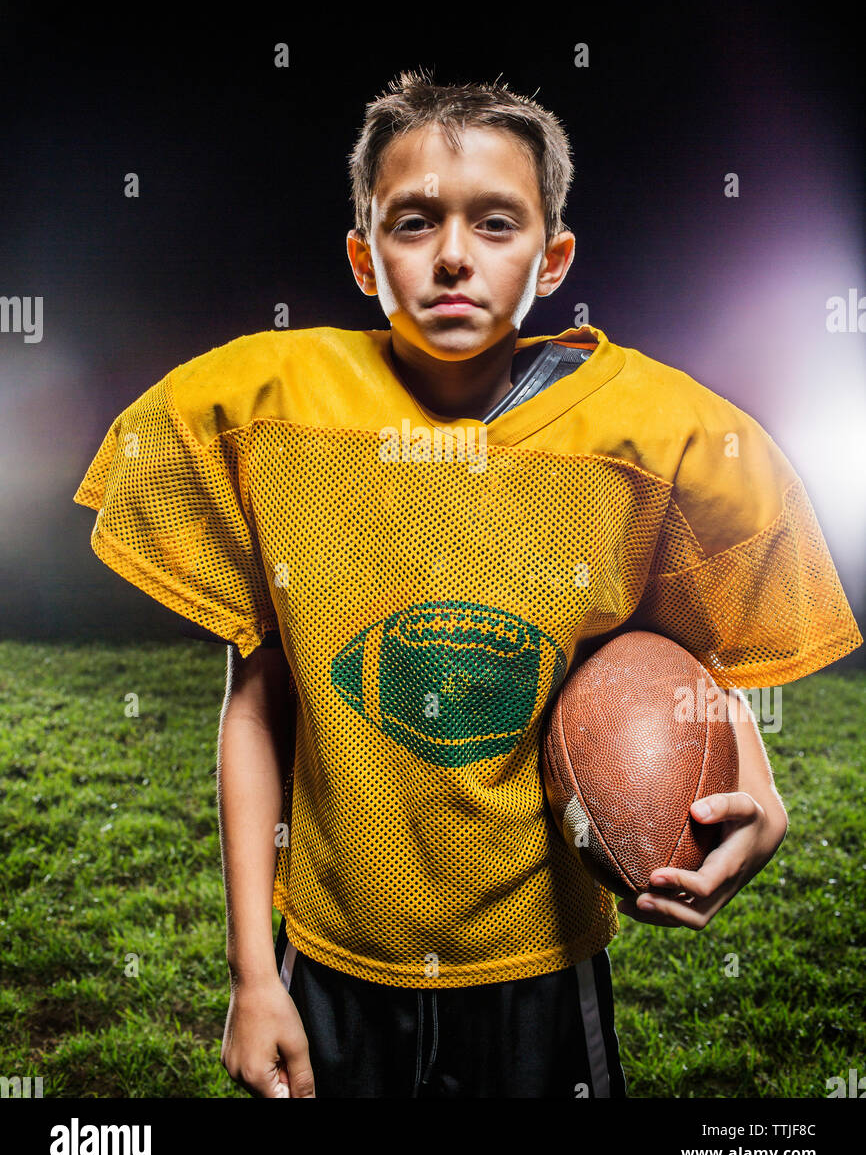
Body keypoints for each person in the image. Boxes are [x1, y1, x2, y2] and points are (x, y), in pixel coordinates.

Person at [73, 69, 862, 1099]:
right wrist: (251, 973)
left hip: (541, 968)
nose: (452, 255)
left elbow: (682, 647)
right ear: (363, 255)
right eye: (413, 222)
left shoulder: (650, 434)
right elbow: (258, 700)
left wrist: (747, 778)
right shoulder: (270, 410)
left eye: (495, 223)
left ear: (552, 255)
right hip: (335, 962)